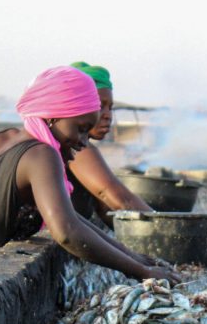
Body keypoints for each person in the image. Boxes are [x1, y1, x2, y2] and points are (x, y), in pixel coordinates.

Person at [0, 66, 175, 283]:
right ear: (55, 115)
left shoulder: (1, 140)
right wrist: (141, 272)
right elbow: (66, 231)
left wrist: (136, 258)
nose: (82, 142)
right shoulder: (41, 155)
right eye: (80, 129)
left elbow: (75, 220)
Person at [65, 61, 153, 224]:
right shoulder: (76, 148)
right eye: (100, 106)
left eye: (110, 107)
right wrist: (168, 225)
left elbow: (106, 208)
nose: (108, 115)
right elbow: (119, 199)